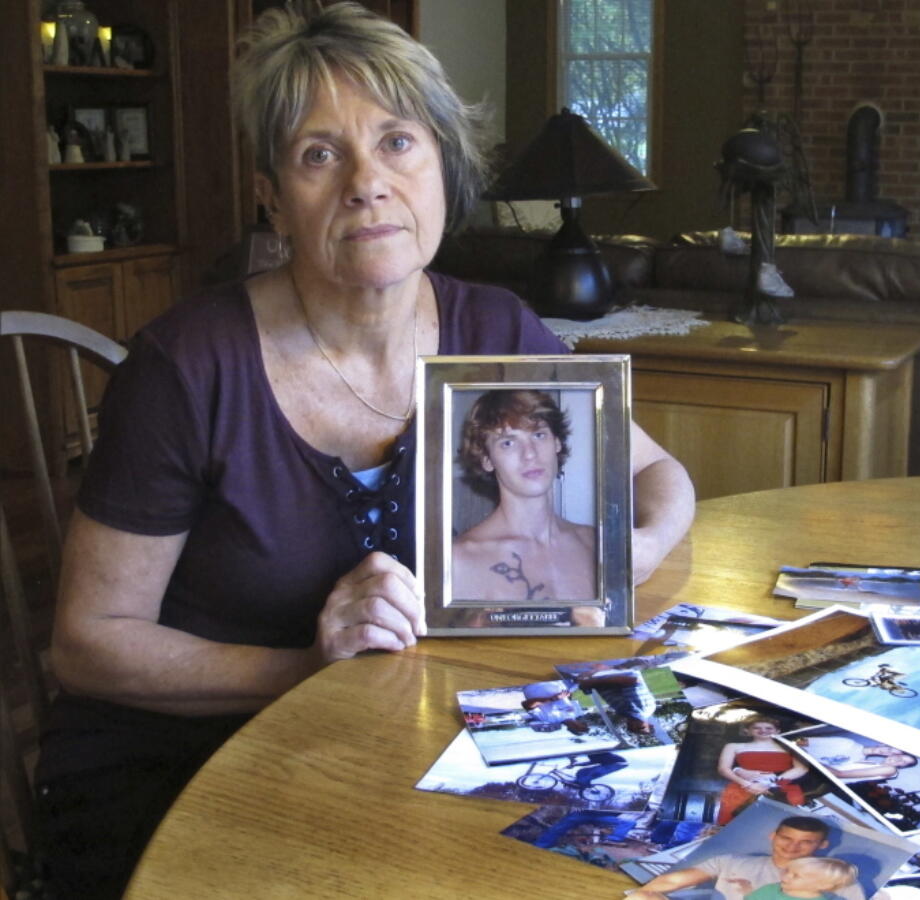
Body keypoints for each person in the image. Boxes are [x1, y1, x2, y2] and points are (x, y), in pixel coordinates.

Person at [32, 4, 694, 898]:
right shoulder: (188, 369)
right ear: (271, 193)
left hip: (409, 747)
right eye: (318, 154)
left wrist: (627, 552)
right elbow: (86, 644)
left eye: (397, 143)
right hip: (185, 768)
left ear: (442, 167)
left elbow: (659, 475)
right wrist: (305, 669)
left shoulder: (493, 328)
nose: (365, 183)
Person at [451, 389, 598, 613]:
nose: (529, 454)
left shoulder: (595, 544)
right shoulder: (458, 561)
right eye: (508, 443)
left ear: (556, 443)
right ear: (487, 459)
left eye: (538, 435)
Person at [625, 816, 866, 900]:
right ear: (773, 836)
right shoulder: (733, 861)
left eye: (805, 842)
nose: (793, 847)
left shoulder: (837, 880)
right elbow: (671, 882)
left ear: (822, 845)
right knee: (642, 896)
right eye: (786, 838)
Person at [716, 717, 810, 825]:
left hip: (782, 789)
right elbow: (723, 769)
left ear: (777, 731)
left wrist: (770, 783)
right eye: (756, 728)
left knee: (784, 825)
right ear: (748, 730)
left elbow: (801, 768)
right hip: (742, 788)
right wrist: (748, 784)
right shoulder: (733, 746)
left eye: (769, 728)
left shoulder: (790, 747)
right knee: (737, 825)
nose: (763, 731)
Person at [574, 663, 657, 734]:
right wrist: (592, 680)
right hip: (607, 671)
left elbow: (611, 692)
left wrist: (588, 687)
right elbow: (633, 681)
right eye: (640, 727)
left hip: (601, 674)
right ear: (650, 724)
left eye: (631, 728)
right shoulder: (640, 709)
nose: (633, 725)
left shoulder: (629, 713)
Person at [797, 735, 917, 783]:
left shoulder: (890, 770)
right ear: (882, 744)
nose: (899, 761)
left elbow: (839, 774)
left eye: (904, 763)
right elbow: (801, 741)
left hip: (805, 767)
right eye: (899, 756)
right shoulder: (865, 761)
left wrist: (805, 759)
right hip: (800, 759)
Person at [744, 857, 861, 900]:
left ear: (822, 885)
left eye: (796, 875)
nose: (786, 876)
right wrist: (747, 889)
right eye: (788, 871)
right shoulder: (771, 888)